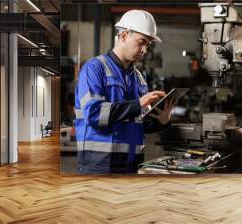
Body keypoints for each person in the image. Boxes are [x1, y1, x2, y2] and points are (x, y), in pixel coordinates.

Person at [75, 10, 175, 174]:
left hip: (132, 162)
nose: (144, 50)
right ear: (123, 36)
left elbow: (139, 122)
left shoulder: (139, 78)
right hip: (100, 164)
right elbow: (94, 114)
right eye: (141, 42)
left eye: (148, 45)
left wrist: (161, 121)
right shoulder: (94, 69)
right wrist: (139, 103)